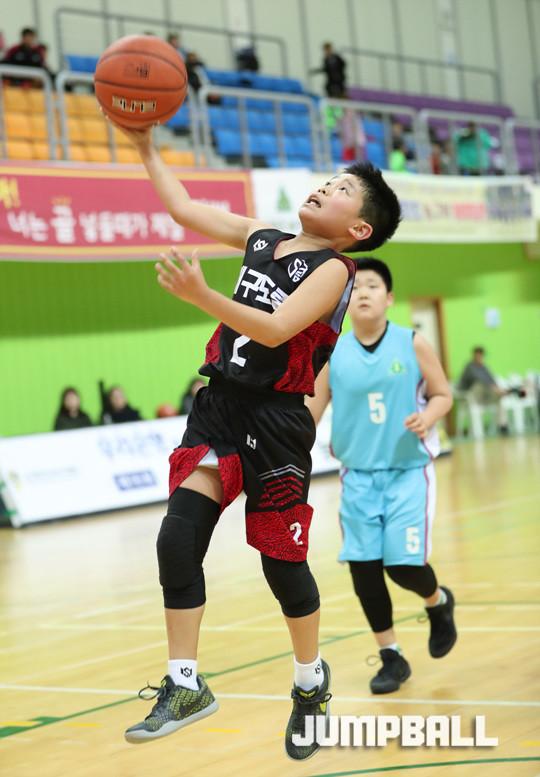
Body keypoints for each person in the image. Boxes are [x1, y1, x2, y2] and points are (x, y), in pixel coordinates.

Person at [111, 113, 401, 758]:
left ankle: (310, 684)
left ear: (359, 229)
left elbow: (274, 329)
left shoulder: (335, 271)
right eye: (327, 180)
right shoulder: (262, 236)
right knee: (177, 537)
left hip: (277, 422)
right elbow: (184, 208)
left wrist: (200, 295)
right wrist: (147, 147)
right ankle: (185, 683)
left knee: (282, 566)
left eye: (341, 189)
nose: (324, 187)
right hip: (220, 406)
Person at [307, 258, 457, 695]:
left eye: (372, 286)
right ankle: (391, 656)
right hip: (357, 476)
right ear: (345, 301)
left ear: (389, 298)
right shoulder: (334, 354)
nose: (363, 293)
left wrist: (428, 416)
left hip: (407, 472)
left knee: (404, 567)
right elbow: (308, 414)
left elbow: (443, 394)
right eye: (355, 288)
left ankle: (437, 601)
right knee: (364, 568)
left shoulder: (412, 343)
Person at [458, 346, 508, 432]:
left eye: (480, 356)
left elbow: (492, 380)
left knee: (499, 398)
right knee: (479, 385)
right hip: (471, 397)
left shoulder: (484, 367)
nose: (479, 357)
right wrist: (493, 388)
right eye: (477, 355)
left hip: (484, 396)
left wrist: (498, 389)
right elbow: (477, 378)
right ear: (473, 355)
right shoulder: (469, 366)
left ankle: (502, 425)